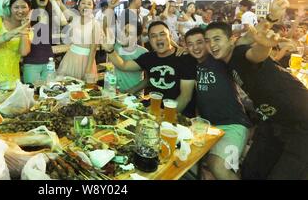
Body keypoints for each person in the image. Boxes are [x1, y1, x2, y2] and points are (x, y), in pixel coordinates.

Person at [205, 20, 308, 179]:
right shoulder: (228, 57)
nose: (211, 45)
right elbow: (247, 37)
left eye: (217, 39)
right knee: (251, 172)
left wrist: (265, 46)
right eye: (208, 41)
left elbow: (255, 55)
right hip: (272, 121)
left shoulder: (239, 55)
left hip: (300, 120)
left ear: (231, 39)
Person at [185, 27, 252, 180]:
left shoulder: (220, 60)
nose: (195, 47)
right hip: (207, 127)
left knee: (218, 167)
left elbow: (240, 43)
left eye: (200, 42)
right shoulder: (190, 65)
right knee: (183, 158)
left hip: (233, 124)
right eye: (190, 44)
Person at [103, 21, 197, 117]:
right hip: (152, 111)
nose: (158, 38)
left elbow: (185, 97)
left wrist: (165, 116)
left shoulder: (184, 58)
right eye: (153, 36)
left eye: (162, 34)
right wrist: (109, 50)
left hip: (179, 118)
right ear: (149, 40)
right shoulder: (148, 58)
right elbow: (124, 65)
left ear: (171, 36)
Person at [22, 0, 67, 84]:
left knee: (49, 94)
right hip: (31, 63)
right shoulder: (29, 13)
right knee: (33, 94)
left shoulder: (51, 15)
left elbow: (63, 21)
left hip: (49, 63)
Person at [57, 0, 102, 81]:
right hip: (70, 57)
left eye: (89, 4)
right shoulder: (75, 18)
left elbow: (93, 50)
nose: (86, 5)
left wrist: (88, 70)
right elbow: (61, 5)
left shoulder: (95, 24)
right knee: (67, 85)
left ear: (93, 8)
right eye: (83, 3)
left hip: (86, 60)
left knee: (83, 90)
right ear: (78, 7)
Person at [113, 19, 148, 93]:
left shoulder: (143, 53)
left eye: (129, 34)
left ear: (137, 37)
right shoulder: (115, 47)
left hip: (134, 97)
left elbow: (148, 78)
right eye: (124, 31)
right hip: (115, 93)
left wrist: (132, 91)